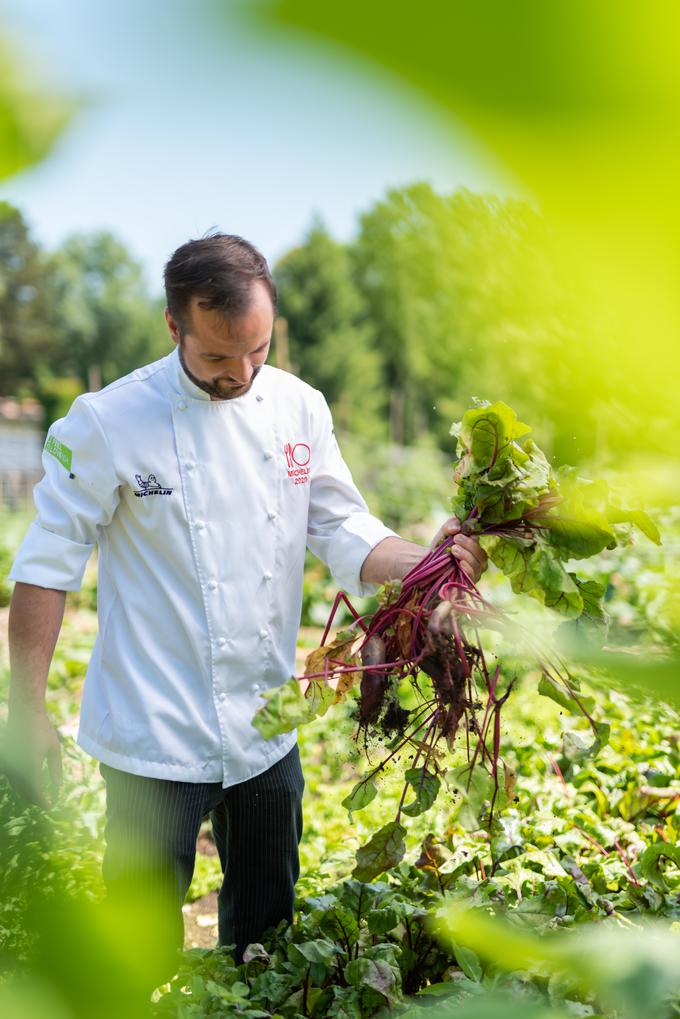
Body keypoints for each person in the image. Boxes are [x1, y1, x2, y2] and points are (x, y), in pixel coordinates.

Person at [6, 233, 488, 967]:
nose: (242, 373)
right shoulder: (107, 421)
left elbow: (346, 529)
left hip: (267, 723)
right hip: (152, 730)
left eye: (258, 351)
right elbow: (47, 565)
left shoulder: (300, 408)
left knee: (266, 942)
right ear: (174, 327)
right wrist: (27, 707)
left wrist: (432, 565)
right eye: (218, 357)